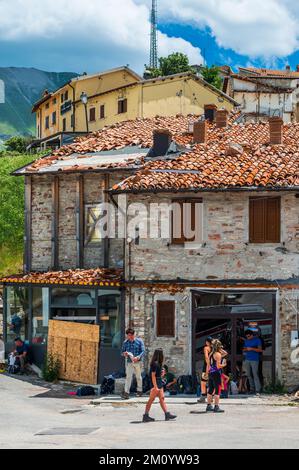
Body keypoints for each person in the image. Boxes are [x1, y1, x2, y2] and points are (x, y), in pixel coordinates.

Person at [143, 349, 177, 422]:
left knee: (162, 399)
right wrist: (155, 387)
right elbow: (153, 376)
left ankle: (167, 414)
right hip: (155, 383)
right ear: (160, 355)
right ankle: (145, 416)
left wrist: (161, 375)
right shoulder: (154, 364)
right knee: (151, 400)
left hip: (159, 382)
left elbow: (157, 375)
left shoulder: (158, 363)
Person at [121, 328, 145, 399]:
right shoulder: (125, 343)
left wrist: (138, 357)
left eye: (131, 335)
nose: (130, 337)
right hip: (129, 362)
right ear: (127, 335)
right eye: (129, 335)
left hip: (138, 361)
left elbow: (143, 351)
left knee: (138, 377)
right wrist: (124, 354)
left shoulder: (139, 341)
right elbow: (122, 352)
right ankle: (126, 393)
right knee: (128, 377)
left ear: (134, 334)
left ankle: (139, 391)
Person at [206, 339, 227, 413]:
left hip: (211, 373)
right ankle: (216, 407)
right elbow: (218, 366)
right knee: (217, 390)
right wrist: (224, 365)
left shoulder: (211, 353)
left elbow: (225, 353)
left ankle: (208, 405)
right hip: (216, 373)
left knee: (210, 389)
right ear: (219, 346)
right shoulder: (218, 354)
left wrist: (219, 348)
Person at [242, 330, 262, 395]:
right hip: (247, 359)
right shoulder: (246, 341)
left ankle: (257, 390)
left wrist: (252, 349)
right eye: (246, 336)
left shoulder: (257, 340)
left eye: (248, 336)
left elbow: (260, 350)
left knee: (255, 374)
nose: (247, 337)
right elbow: (243, 349)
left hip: (255, 359)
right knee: (248, 374)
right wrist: (246, 349)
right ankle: (252, 389)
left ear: (252, 335)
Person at [198, 336, 212, 403]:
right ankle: (211, 397)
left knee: (203, 382)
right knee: (211, 382)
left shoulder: (206, 348)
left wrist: (208, 365)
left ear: (207, 342)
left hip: (207, 366)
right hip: (214, 367)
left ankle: (203, 397)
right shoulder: (215, 348)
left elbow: (206, 357)